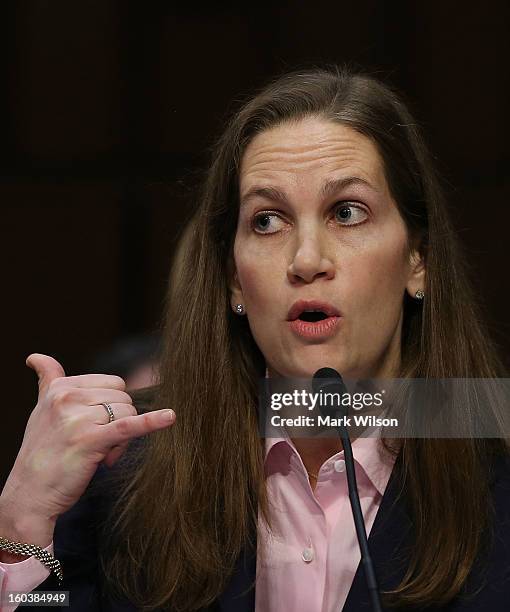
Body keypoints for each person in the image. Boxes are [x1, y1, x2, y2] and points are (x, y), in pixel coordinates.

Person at [1, 64, 509, 612]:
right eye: (267, 221)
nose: (307, 260)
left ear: (418, 261)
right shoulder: (122, 476)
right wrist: (22, 526)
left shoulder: (495, 474)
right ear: (232, 279)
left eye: (347, 212)